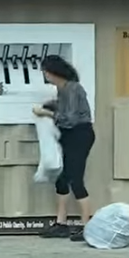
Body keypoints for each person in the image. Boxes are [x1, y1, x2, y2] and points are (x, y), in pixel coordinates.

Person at [32, 54, 95, 241]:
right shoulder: (62, 89)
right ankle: (61, 224)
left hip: (80, 135)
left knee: (76, 180)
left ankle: (88, 227)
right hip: (68, 136)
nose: (44, 75)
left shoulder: (74, 88)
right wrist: (51, 105)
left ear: (53, 72)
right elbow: (63, 108)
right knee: (62, 179)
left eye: (45, 71)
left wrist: (46, 112)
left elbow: (70, 118)